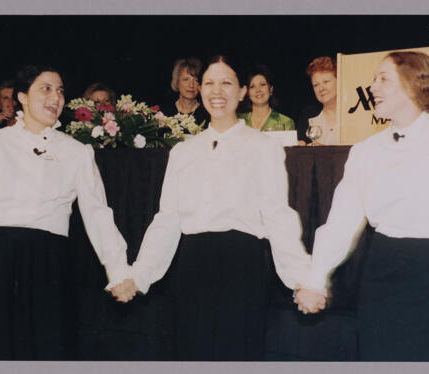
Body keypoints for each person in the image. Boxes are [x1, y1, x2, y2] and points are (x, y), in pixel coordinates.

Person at [113, 55, 311, 361]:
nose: (217, 91)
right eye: (209, 83)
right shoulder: (183, 151)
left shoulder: (263, 147)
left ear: (242, 91)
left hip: (243, 267)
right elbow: (167, 220)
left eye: (226, 83)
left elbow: (278, 215)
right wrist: (138, 276)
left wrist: (301, 278)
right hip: (193, 267)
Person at [294, 51, 429, 361]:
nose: (373, 86)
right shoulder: (366, 151)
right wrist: (315, 279)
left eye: (383, 79)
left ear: (415, 85)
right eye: (374, 78)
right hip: (382, 275)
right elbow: (341, 223)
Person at [0, 65, 131, 360]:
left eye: (60, 90)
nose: (56, 97)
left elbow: (98, 214)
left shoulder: (77, 151)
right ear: (22, 97)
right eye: (46, 88)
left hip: (52, 266)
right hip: (2, 262)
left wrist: (118, 271)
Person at [238, 64, 295, 131]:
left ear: (271, 89)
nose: (258, 90)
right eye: (252, 87)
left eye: (262, 85)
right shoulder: (238, 120)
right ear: (247, 93)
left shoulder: (285, 122)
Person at [296, 57, 339, 145]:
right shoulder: (308, 115)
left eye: (326, 82)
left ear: (339, 81)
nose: (321, 88)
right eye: (316, 85)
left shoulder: (353, 115)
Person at [161, 57, 209, 127]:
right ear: (177, 82)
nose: (191, 85)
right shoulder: (164, 111)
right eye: (186, 79)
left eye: (196, 80)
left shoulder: (207, 114)